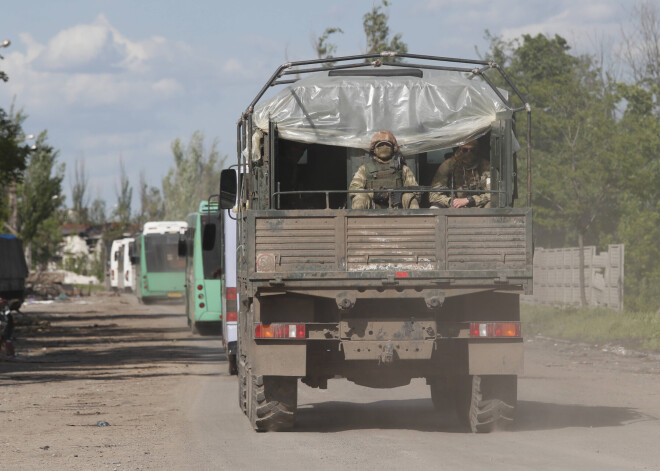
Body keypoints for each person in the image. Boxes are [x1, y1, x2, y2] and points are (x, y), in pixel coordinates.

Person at [349, 131, 419, 209]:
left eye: (388, 145)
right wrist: (375, 194)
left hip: (397, 207)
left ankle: (413, 221)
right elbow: (354, 189)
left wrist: (398, 194)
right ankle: (358, 221)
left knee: (410, 197)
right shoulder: (365, 168)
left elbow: (415, 190)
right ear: (374, 149)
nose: (384, 147)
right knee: (359, 198)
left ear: (393, 148)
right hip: (373, 206)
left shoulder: (402, 168)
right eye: (380, 145)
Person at [429, 140, 491, 208]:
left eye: (472, 150)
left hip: (478, 205)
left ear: (477, 150)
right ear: (460, 149)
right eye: (465, 150)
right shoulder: (448, 165)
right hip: (453, 206)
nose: (468, 153)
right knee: (434, 208)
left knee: (492, 205)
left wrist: (470, 200)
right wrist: (450, 201)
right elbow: (434, 194)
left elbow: (493, 193)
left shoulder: (486, 166)